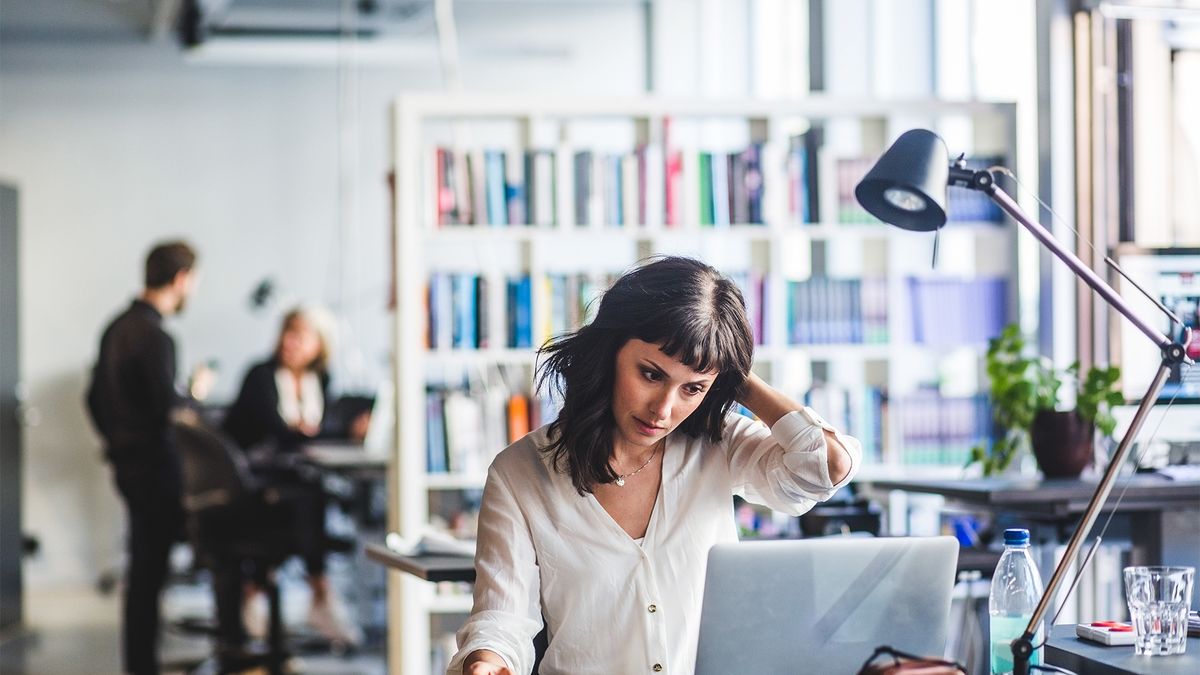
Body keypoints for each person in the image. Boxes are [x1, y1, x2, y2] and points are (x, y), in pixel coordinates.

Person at [448, 256, 862, 675]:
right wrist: (486, 662)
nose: (664, 410)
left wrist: (736, 374)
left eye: (693, 388)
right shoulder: (519, 473)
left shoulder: (718, 442)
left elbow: (824, 467)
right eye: (650, 374)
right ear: (610, 353)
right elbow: (502, 620)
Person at [86, 241, 198, 675]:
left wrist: (115, 439)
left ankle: (140, 664)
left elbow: (93, 397)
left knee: (143, 572)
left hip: (127, 463)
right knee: (149, 574)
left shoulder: (116, 327)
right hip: (155, 467)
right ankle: (142, 666)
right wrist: (194, 397)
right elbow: (166, 410)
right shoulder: (156, 336)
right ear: (182, 279)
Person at [221, 306, 362, 646]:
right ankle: (312, 593)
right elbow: (280, 433)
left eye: (300, 334)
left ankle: (270, 591)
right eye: (287, 332)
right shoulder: (260, 376)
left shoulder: (321, 380)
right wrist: (338, 429)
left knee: (309, 494)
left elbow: (312, 433)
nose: (290, 341)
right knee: (306, 499)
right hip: (249, 483)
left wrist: (347, 427)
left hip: (291, 481)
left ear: (320, 345)